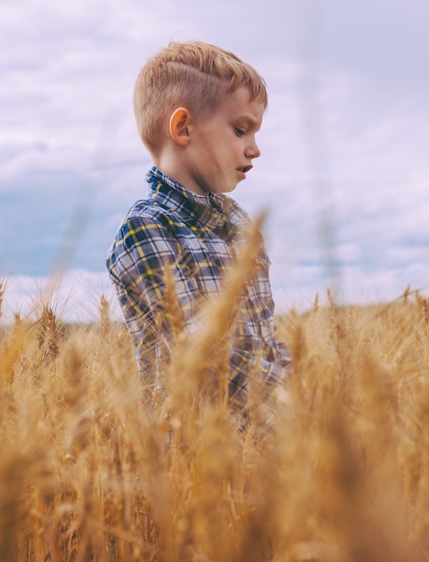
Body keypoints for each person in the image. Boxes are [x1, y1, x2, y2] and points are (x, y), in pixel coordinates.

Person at [106, 41, 291, 411]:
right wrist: (295, 404)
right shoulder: (146, 229)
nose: (255, 148)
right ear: (183, 128)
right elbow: (204, 356)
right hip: (193, 452)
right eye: (241, 130)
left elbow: (267, 340)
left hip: (267, 444)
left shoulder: (240, 225)